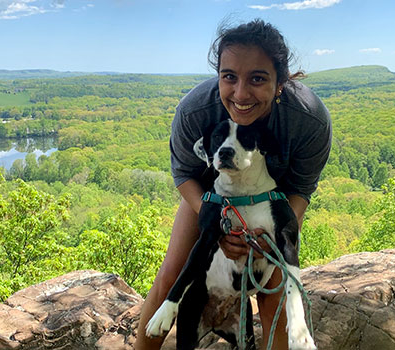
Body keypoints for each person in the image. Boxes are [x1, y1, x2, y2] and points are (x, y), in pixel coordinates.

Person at [135, 19, 332, 349]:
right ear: (219, 76)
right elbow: (185, 175)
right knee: (174, 274)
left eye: (258, 78)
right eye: (229, 77)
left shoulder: (307, 120)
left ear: (280, 83)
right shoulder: (196, 111)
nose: (241, 94)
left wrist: (273, 239)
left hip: (272, 195)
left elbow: (300, 189)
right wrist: (220, 220)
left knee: (274, 292)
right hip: (212, 191)